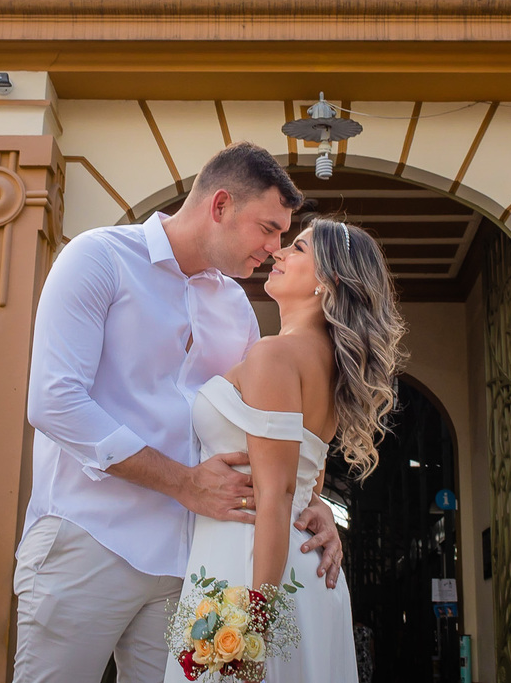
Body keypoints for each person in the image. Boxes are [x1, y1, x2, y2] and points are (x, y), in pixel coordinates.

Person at [14, 143, 345, 683]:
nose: (274, 247)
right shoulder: (97, 258)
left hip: (193, 564)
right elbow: (54, 401)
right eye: (267, 228)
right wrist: (183, 484)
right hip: (87, 538)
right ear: (219, 206)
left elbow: (262, 427)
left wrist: (312, 502)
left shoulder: (236, 306)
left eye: (284, 236)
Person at [163, 218, 407, 683]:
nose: (278, 253)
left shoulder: (276, 355)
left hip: (252, 565)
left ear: (327, 281)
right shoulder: (326, 365)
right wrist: (318, 508)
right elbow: (306, 483)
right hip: (290, 566)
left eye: (296, 248)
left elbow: (276, 494)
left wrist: (255, 626)